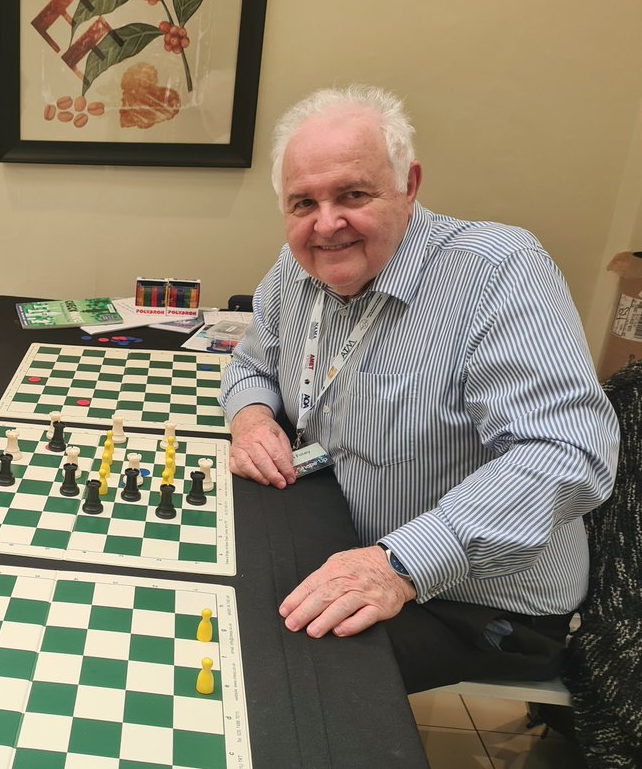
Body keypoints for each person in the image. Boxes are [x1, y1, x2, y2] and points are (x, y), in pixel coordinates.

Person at [220, 84, 619, 693]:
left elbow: (567, 454)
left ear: (409, 184)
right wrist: (250, 417)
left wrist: (400, 564)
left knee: (267, 674)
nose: (327, 224)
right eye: (303, 203)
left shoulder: (498, 270)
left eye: (352, 194)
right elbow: (250, 364)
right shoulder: (295, 269)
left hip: (475, 600)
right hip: (341, 538)